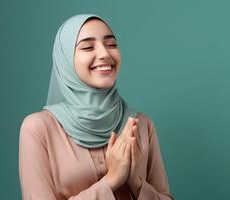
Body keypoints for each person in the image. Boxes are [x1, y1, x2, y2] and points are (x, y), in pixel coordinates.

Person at [19, 14, 173, 200]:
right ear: (65, 59)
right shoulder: (39, 129)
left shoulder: (141, 125)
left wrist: (136, 183)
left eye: (111, 45)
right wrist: (112, 180)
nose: (105, 54)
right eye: (87, 47)